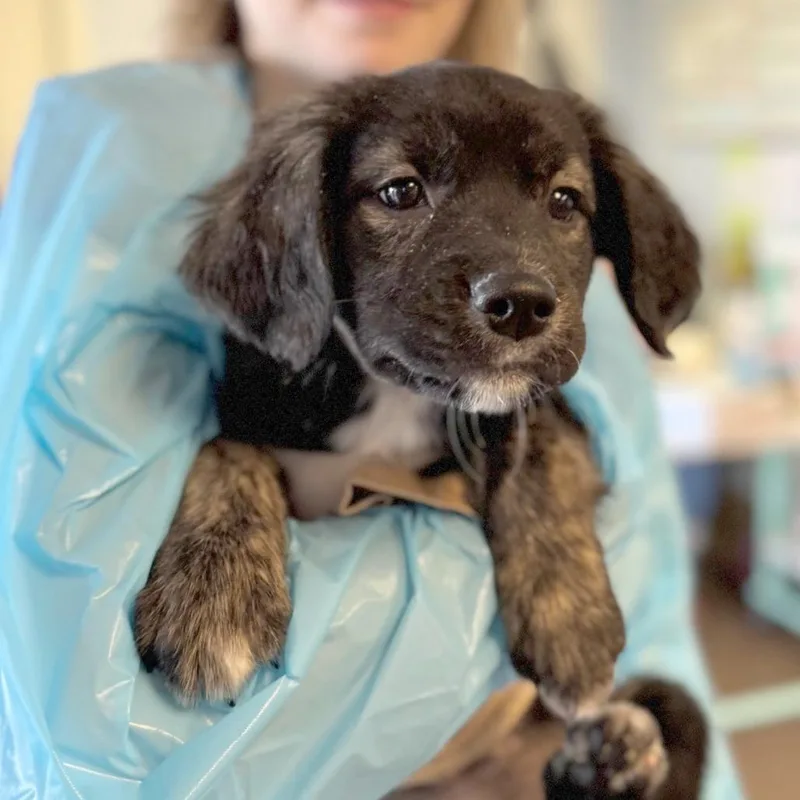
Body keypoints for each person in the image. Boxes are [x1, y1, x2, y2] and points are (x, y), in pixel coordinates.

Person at [0, 1, 740, 798]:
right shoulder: (126, 181)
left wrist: (546, 498)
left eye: (560, 203)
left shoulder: (554, 147)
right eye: (401, 191)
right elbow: (93, 729)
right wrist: (233, 477)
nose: (516, 278)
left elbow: (652, 634)